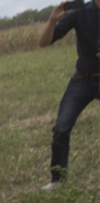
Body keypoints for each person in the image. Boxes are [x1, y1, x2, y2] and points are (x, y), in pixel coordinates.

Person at [38, 0, 99, 191]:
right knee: (61, 129)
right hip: (83, 79)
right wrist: (52, 21)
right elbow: (44, 42)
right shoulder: (80, 12)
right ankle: (58, 180)